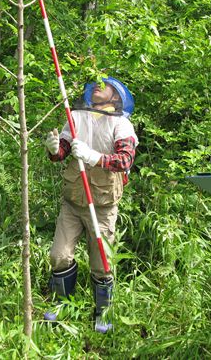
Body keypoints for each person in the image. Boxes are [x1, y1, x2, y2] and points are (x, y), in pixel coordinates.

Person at [43, 76, 138, 333]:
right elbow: (61, 152)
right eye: (95, 82)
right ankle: (62, 305)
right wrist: (53, 148)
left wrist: (93, 157)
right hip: (73, 200)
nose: (98, 85)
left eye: (104, 84)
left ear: (116, 97)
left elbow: (125, 160)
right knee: (59, 256)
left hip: (103, 203)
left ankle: (103, 313)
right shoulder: (76, 116)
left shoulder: (121, 124)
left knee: (102, 263)